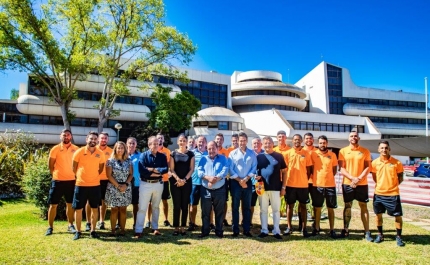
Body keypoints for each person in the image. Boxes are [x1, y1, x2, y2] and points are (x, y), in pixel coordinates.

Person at [338, 131, 373, 241]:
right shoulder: (343, 151)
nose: (354, 138)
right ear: (349, 138)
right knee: (347, 206)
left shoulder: (365, 151)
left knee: (364, 206)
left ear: (359, 138)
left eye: (355, 136)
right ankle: (346, 229)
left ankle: (367, 231)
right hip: (348, 183)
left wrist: (358, 179)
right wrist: (352, 178)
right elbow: (341, 168)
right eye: (351, 136)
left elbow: (368, 167)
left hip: (362, 183)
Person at [71, 131, 105, 240]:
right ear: (87, 139)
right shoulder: (79, 152)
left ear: (97, 140)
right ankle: (78, 231)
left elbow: (100, 168)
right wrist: (81, 177)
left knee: (95, 208)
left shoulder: (100, 153)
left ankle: (93, 231)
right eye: (91, 139)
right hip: (81, 185)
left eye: (95, 139)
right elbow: (74, 168)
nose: (93, 141)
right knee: (78, 209)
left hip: (95, 185)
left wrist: (93, 177)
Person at [371, 141, 405, 246]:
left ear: (389, 149)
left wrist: (391, 186)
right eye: (381, 148)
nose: (384, 150)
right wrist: (382, 185)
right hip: (379, 194)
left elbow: (400, 178)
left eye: (386, 148)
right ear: (378, 150)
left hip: (393, 194)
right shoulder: (374, 163)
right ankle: (380, 234)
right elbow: (374, 178)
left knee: (398, 216)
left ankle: (399, 236)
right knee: (378, 215)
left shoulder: (397, 163)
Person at [45, 129, 79, 236]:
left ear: (71, 137)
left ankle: (70, 225)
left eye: (68, 135)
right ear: (61, 136)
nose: (66, 137)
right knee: (53, 205)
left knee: (70, 204)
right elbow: (50, 166)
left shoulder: (76, 149)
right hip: (58, 181)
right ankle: (50, 227)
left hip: (72, 181)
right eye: (64, 135)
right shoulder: (55, 149)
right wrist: (55, 175)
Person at [134, 136, 168, 238]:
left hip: (158, 184)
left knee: (156, 207)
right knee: (142, 208)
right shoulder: (143, 156)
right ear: (149, 145)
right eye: (154, 144)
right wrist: (157, 172)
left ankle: (155, 227)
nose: (156, 145)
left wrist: (152, 170)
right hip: (145, 184)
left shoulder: (162, 156)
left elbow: (165, 169)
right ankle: (138, 230)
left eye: (157, 144)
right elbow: (142, 170)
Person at [255, 136, 287, 239]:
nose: (267, 145)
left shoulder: (279, 156)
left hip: (276, 187)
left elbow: (284, 172)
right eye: (265, 143)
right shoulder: (259, 157)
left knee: (276, 210)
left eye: (269, 143)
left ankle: (276, 231)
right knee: (263, 210)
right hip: (261, 187)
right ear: (262, 145)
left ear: (273, 144)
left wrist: (283, 187)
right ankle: (264, 230)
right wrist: (255, 176)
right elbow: (254, 171)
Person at [197, 141, 229, 238]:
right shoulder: (203, 159)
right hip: (206, 189)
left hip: (219, 189)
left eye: (213, 148)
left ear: (217, 148)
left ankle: (219, 231)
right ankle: (205, 231)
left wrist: (215, 179)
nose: (211, 151)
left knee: (219, 211)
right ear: (207, 149)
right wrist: (208, 178)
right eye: (209, 149)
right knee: (205, 211)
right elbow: (199, 172)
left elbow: (225, 170)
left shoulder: (223, 158)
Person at [283, 134, 312, 237]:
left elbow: (309, 170)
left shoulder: (306, 154)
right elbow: (284, 170)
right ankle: (289, 227)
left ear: (302, 141)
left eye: (299, 140)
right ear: (292, 141)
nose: (297, 141)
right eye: (295, 140)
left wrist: (303, 179)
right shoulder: (287, 153)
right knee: (289, 206)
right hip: (290, 184)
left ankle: (304, 229)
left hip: (303, 185)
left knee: (303, 206)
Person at [229, 132, 257, 237]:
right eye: (240, 140)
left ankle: (246, 229)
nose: (242, 142)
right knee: (235, 207)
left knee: (247, 207)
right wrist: (239, 180)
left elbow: (254, 167)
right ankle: (235, 230)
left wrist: (245, 179)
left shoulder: (252, 154)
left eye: (244, 140)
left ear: (247, 141)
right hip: (235, 182)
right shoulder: (232, 154)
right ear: (238, 141)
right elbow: (230, 168)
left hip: (248, 182)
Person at [310, 135, 338, 238]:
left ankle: (332, 230)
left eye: (324, 143)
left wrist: (328, 178)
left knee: (331, 208)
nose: (322, 145)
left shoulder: (333, 155)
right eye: (321, 143)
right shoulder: (313, 154)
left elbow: (334, 170)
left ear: (327, 143)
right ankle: (316, 228)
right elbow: (311, 169)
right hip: (317, 184)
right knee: (317, 208)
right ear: (318, 143)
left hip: (330, 185)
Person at [85, 132, 112, 231]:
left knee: (103, 202)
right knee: (89, 201)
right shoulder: (92, 149)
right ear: (98, 140)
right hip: (92, 179)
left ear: (107, 140)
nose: (103, 140)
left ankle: (101, 221)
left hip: (106, 180)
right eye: (102, 138)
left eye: (105, 138)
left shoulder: (111, 151)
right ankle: (88, 222)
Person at [105, 141, 133, 236]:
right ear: (115, 149)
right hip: (113, 188)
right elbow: (109, 175)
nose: (120, 150)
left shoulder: (129, 161)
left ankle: (122, 229)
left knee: (123, 209)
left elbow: (131, 174)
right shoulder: (110, 161)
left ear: (125, 149)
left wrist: (125, 185)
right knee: (114, 209)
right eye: (118, 148)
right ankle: (113, 230)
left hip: (125, 188)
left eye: (122, 148)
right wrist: (118, 186)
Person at [169, 134, 195, 235]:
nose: (182, 142)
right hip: (175, 182)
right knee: (176, 205)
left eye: (184, 140)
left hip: (187, 182)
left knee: (184, 205)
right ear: (177, 142)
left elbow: (192, 169)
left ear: (186, 141)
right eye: (180, 140)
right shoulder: (173, 153)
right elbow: (171, 169)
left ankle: (183, 226)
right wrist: (178, 179)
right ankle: (176, 227)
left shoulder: (191, 154)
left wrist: (184, 180)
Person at [147, 133, 171, 228]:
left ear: (163, 140)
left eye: (162, 138)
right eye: (158, 138)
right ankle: (148, 221)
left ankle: (165, 219)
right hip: (153, 180)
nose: (160, 140)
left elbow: (168, 166)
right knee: (150, 201)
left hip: (164, 180)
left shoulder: (167, 151)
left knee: (165, 200)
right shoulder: (150, 151)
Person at [188, 135, 208, 231]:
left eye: (203, 141)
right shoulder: (192, 153)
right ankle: (192, 223)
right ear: (196, 143)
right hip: (194, 182)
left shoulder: (209, 153)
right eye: (199, 142)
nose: (201, 143)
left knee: (206, 205)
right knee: (193, 204)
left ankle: (208, 223)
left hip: (205, 183)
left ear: (206, 143)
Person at [215, 133, 230, 227]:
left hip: (224, 180)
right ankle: (213, 221)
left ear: (223, 141)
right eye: (217, 139)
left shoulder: (226, 152)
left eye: (220, 139)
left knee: (224, 201)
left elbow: (228, 166)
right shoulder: (211, 149)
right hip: (213, 179)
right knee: (212, 201)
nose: (219, 141)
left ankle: (223, 218)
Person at [127, 137, 141, 229]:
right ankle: (119, 223)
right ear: (126, 144)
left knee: (135, 204)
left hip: (136, 183)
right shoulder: (122, 154)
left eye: (133, 143)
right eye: (130, 143)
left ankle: (136, 223)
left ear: (136, 145)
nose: (131, 145)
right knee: (121, 205)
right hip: (124, 183)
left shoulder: (141, 155)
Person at [250, 137, 264, 225]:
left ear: (261, 144)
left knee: (263, 204)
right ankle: (249, 222)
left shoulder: (265, 154)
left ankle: (264, 223)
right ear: (252, 145)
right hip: (251, 182)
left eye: (258, 143)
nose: (256, 145)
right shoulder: (249, 154)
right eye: (254, 143)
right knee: (251, 204)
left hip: (261, 184)